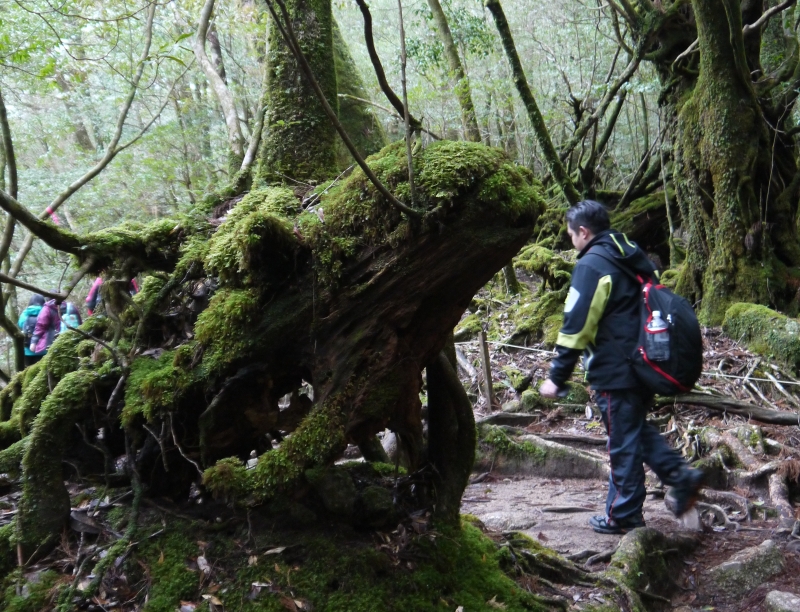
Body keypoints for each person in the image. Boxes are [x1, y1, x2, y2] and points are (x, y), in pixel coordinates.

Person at [539, 200, 703, 534]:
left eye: (572, 235)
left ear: (584, 232)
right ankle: (679, 476)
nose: (572, 242)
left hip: (616, 369)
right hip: (646, 362)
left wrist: (557, 376)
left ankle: (624, 514)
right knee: (634, 432)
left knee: (623, 443)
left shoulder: (593, 265)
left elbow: (576, 324)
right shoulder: (629, 253)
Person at [18, 294, 46, 367]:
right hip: (43, 350)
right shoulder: (46, 312)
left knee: (29, 373)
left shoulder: (25, 313)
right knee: (42, 373)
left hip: (27, 350)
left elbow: (20, 325)